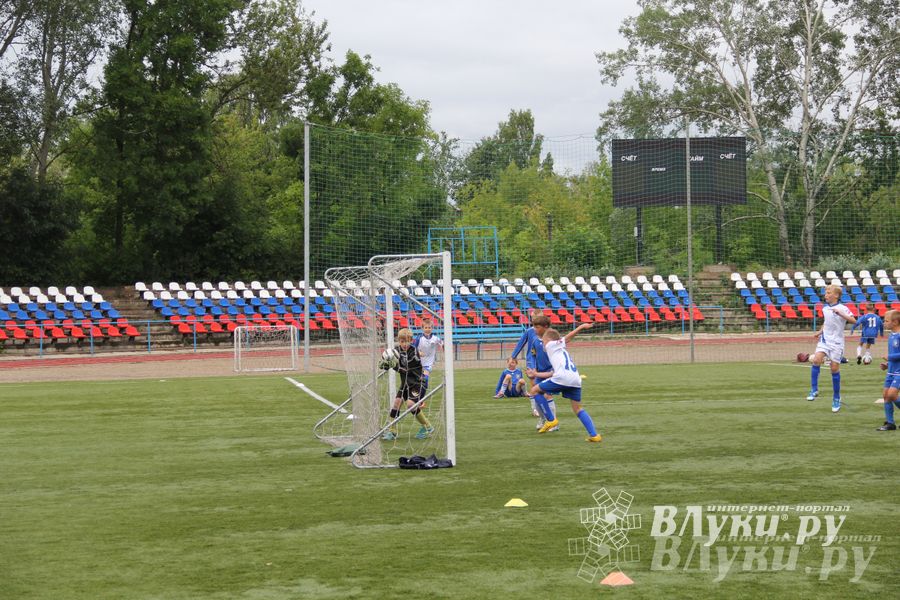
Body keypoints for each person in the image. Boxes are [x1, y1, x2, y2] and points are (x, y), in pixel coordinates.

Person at [527, 324, 602, 443]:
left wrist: (581, 327)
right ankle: (594, 435)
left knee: (534, 391)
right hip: (575, 379)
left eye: (544, 341)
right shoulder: (561, 352)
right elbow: (552, 373)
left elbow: (567, 338)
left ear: (551, 340)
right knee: (578, 408)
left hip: (563, 378)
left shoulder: (552, 345)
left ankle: (551, 420)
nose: (543, 343)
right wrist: (536, 374)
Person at [806, 284, 857, 412]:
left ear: (836, 295)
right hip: (824, 340)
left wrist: (841, 314)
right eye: (826, 293)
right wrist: (819, 331)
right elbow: (826, 322)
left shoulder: (843, 308)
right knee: (816, 360)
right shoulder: (825, 309)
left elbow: (854, 320)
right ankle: (814, 389)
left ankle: (836, 397)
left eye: (828, 293)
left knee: (834, 369)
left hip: (837, 343)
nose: (826, 295)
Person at [381, 328, 434, 440]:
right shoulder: (396, 351)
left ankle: (427, 426)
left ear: (411, 341)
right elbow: (391, 361)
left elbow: (405, 369)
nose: (405, 344)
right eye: (402, 341)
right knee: (396, 403)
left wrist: (393, 365)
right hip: (405, 384)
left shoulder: (414, 352)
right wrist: (385, 363)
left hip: (417, 383)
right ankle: (392, 431)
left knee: (410, 405)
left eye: (407, 341)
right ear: (399, 341)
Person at [511, 308, 558, 430]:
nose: (535, 322)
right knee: (535, 389)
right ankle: (539, 414)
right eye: (533, 319)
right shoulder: (530, 332)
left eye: (537, 319)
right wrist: (513, 356)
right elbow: (521, 345)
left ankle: (552, 421)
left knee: (547, 393)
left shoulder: (551, 335)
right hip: (533, 364)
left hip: (547, 366)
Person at [876, 310, 900, 431]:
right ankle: (890, 423)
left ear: (895, 322)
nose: (884, 323)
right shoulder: (892, 336)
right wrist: (887, 364)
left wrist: (889, 357)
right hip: (891, 370)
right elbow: (894, 353)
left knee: (891, 395)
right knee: (886, 395)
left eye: (886, 321)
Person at [413, 317, 443, 395]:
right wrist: (418, 352)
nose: (428, 329)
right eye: (426, 327)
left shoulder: (435, 338)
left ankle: (421, 399)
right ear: (422, 328)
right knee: (416, 382)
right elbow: (412, 349)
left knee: (425, 381)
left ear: (432, 328)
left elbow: (442, 344)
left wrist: (444, 347)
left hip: (427, 365)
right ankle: (416, 397)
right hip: (417, 364)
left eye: (429, 327)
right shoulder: (419, 338)